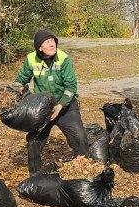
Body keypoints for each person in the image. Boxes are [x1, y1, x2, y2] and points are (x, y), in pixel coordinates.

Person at [13, 30, 89, 174]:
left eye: (53, 40)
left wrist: (60, 105)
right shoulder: (31, 59)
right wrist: (14, 91)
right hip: (43, 107)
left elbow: (71, 86)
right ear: (39, 47)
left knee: (80, 138)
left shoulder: (63, 58)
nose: (51, 43)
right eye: (47, 41)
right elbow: (21, 80)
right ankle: (35, 175)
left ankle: (85, 170)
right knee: (33, 141)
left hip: (66, 105)